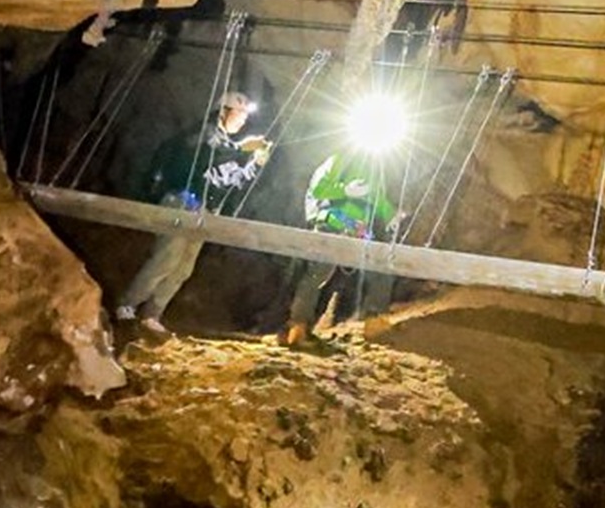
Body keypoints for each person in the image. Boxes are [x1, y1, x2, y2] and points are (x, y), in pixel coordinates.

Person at [114, 90, 270, 335]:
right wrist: (243, 149)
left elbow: (235, 181)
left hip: (205, 212)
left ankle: (152, 314)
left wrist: (255, 164)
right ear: (224, 111)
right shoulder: (203, 132)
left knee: (183, 268)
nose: (243, 120)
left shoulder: (229, 146)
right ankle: (127, 305)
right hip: (181, 202)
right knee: (167, 259)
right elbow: (205, 153)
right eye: (239, 113)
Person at [280, 148, 397, 346]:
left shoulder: (373, 172)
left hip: (357, 231)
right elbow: (318, 188)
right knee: (318, 274)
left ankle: (375, 322)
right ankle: (297, 327)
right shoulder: (339, 162)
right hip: (331, 226)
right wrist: (344, 189)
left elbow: (377, 200)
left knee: (380, 268)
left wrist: (391, 215)